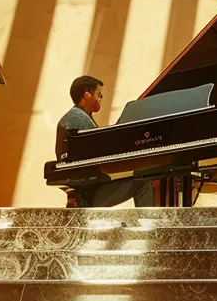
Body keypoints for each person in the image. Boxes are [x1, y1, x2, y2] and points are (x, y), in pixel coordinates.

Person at [57, 75, 151, 207]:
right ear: (87, 95)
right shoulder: (78, 118)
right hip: (89, 192)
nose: (101, 99)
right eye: (99, 95)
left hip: (86, 185)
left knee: (138, 175)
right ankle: (149, 223)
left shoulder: (74, 116)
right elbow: (102, 151)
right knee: (143, 180)